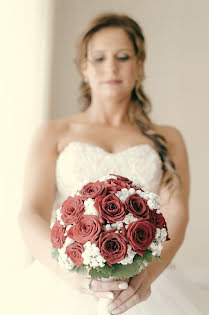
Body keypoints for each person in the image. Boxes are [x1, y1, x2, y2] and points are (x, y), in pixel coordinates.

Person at [5, 12, 208, 315]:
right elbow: (30, 213)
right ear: (84, 67)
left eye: (123, 57)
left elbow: (176, 211)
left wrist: (147, 276)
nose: (111, 67)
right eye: (99, 58)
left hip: (148, 284)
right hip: (62, 284)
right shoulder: (53, 134)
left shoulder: (167, 138)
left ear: (139, 65)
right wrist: (70, 275)